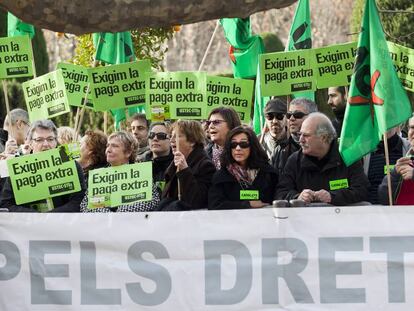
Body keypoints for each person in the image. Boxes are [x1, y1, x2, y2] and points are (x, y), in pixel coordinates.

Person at [276, 112, 369, 206]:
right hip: (305, 219)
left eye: (306, 135)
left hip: (341, 218)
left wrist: (332, 196)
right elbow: (281, 193)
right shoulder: (294, 161)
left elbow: (362, 190)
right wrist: (297, 197)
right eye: (300, 134)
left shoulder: (347, 156)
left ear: (324, 137)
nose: (301, 140)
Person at [0, 120, 86, 212]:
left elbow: (78, 200)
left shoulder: (71, 163)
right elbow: (6, 204)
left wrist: (51, 217)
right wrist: (35, 217)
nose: (45, 144)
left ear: (56, 141)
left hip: (62, 223)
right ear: (30, 143)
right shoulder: (18, 167)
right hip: (28, 224)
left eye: (50, 139)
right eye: (39, 140)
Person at [80, 131, 160, 212]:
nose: (108, 150)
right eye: (108, 146)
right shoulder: (98, 175)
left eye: (114, 146)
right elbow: (85, 205)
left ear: (128, 152)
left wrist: (122, 214)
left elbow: (153, 200)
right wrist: (108, 215)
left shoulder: (141, 173)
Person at [208, 126, 278, 209]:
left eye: (243, 144)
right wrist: (247, 204)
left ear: (252, 146)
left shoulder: (268, 173)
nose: (238, 148)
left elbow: (279, 198)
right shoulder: (221, 176)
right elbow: (214, 204)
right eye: (233, 144)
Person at [158, 120, 216, 211]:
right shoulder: (174, 162)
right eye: (171, 136)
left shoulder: (206, 165)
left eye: (177, 136)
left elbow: (198, 200)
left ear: (192, 141)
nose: (172, 140)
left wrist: (184, 170)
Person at [271, 97, 317, 174]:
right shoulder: (279, 150)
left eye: (297, 115)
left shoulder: (324, 148)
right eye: (289, 115)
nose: (291, 118)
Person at [363, 126, 410, 204]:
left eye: (389, 119)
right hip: (370, 211)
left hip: (400, 212)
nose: (384, 123)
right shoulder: (364, 151)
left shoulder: (409, 148)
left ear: (397, 123)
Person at [378, 116, 414, 205]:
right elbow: (384, 199)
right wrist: (394, 175)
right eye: (412, 127)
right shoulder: (406, 159)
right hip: (400, 217)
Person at [143, 122, 173, 195]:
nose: (155, 139)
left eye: (161, 136)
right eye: (151, 135)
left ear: (171, 140)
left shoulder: (178, 165)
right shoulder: (139, 164)